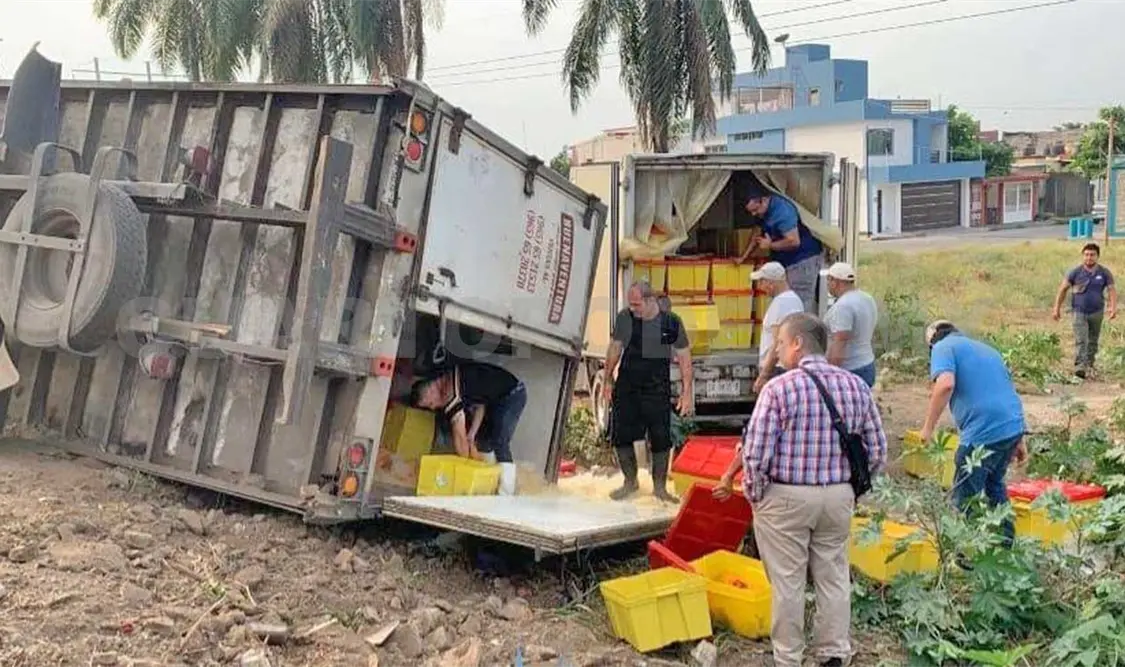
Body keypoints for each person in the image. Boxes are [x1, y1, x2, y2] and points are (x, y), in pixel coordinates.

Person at [742, 313, 887, 667]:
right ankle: (833, 652)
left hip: (786, 496)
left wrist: (755, 493)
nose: (778, 352)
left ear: (797, 344)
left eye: (779, 344)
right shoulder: (855, 386)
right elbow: (878, 450)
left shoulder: (779, 389)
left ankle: (789, 658)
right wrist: (850, 488)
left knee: (788, 582)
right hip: (838, 495)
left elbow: (756, 453)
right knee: (833, 575)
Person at [919, 320, 1027, 547]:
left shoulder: (942, 348)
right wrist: (1019, 438)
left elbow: (945, 385)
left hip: (983, 431)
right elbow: (1006, 390)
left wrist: (928, 427)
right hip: (1010, 426)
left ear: (932, 342)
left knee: (966, 496)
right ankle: (1006, 546)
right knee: (995, 485)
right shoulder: (987, 350)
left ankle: (967, 555)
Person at [712, 262, 802, 505]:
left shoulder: (782, 303)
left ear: (771, 282)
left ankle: (745, 474)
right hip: (779, 368)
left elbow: (777, 344)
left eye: (762, 282)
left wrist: (764, 374)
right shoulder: (792, 300)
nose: (760, 287)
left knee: (760, 423)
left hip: (776, 369)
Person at [603, 281, 694, 503]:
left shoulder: (669, 322)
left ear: (650, 300)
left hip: (656, 388)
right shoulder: (626, 318)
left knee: (660, 439)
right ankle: (630, 481)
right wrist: (607, 379)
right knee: (620, 436)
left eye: (636, 304)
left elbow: (684, 357)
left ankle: (660, 488)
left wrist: (687, 391)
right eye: (631, 304)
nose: (633, 309)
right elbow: (615, 348)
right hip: (627, 385)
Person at [412, 361, 527, 491]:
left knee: (499, 441)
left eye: (430, 403)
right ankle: (488, 482)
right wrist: (472, 434)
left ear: (431, 391)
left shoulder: (450, 397)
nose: (433, 407)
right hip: (498, 396)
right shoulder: (450, 374)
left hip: (513, 393)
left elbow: (460, 438)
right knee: (485, 442)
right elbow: (480, 405)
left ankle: (507, 490)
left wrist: (466, 467)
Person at [736, 183, 823, 313]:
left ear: (764, 200)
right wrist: (743, 256)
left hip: (802, 260)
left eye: (755, 210)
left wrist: (770, 245)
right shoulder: (762, 212)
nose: (754, 214)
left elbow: (794, 241)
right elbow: (756, 233)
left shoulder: (782, 211)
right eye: (751, 211)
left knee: (799, 301)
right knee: (785, 300)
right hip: (785, 260)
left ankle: (803, 331)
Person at [1052, 242, 1117, 379]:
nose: (1089, 258)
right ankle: (1080, 367)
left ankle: (1089, 364)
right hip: (1079, 311)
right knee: (1081, 339)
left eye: (1092, 255)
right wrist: (1056, 308)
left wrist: (1113, 307)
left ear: (1097, 256)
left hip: (1097, 311)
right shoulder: (1075, 272)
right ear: (1083, 256)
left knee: (1093, 340)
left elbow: (1111, 290)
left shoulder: (1104, 273)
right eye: (1086, 255)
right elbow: (1063, 290)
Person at [823, 262, 879, 387]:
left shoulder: (843, 307)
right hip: (867, 363)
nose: (827, 285)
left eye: (828, 281)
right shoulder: (867, 298)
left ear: (835, 282)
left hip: (849, 369)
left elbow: (840, 343)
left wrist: (829, 374)